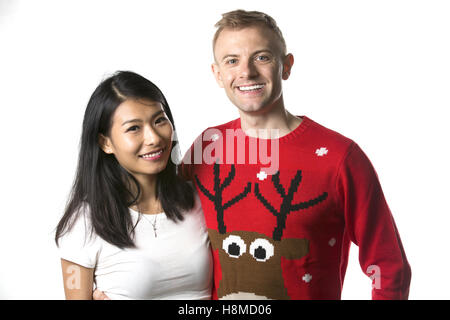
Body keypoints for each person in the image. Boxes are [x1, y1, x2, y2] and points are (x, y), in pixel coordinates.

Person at [94, 9, 411, 300]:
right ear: (218, 74)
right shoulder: (207, 146)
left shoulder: (340, 158)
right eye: (232, 60)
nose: (246, 71)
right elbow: (163, 232)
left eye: (261, 57)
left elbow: (388, 264)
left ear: (285, 65)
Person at [55, 71, 213, 300]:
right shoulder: (83, 224)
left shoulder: (200, 198)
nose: (154, 138)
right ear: (105, 142)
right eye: (133, 128)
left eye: (159, 120)